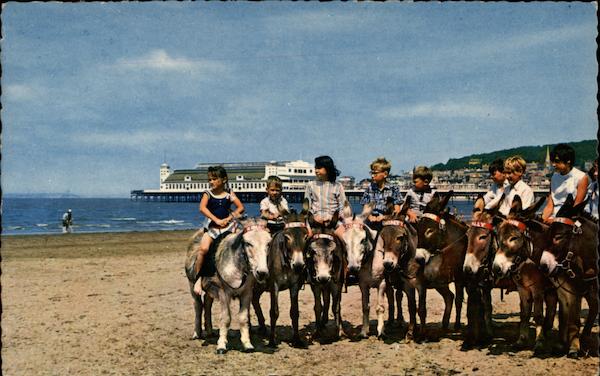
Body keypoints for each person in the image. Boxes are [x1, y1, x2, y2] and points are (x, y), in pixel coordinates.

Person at [192, 166, 245, 295]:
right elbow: (202, 208)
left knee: (240, 246)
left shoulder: (229, 194)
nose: (211, 182)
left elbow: (240, 208)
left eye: (214, 179)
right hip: (212, 227)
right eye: (209, 179)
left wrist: (229, 217)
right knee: (204, 249)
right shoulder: (208, 194)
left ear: (224, 179)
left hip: (228, 227)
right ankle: (198, 278)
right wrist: (216, 220)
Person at [541, 144, 589, 223]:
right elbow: (550, 206)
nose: (553, 164)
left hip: (570, 217)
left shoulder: (581, 177)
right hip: (553, 217)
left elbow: (576, 207)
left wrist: (556, 220)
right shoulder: (554, 177)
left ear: (568, 161)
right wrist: (542, 220)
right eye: (553, 161)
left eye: (557, 161)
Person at [304, 155, 347, 238]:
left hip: (334, 223)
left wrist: (334, 218)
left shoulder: (337, 186)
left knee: (346, 240)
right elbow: (307, 208)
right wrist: (314, 218)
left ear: (328, 168)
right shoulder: (310, 185)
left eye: (319, 168)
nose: (316, 170)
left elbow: (343, 207)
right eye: (315, 168)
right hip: (314, 222)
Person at [359, 157, 403, 231]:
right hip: (371, 221)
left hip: (387, 221)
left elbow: (397, 211)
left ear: (385, 174)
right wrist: (370, 216)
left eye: (375, 173)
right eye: (371, 173)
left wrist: (384, 217)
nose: (372, 176)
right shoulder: (369, 189)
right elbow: (365, 210)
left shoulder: (393, 189)